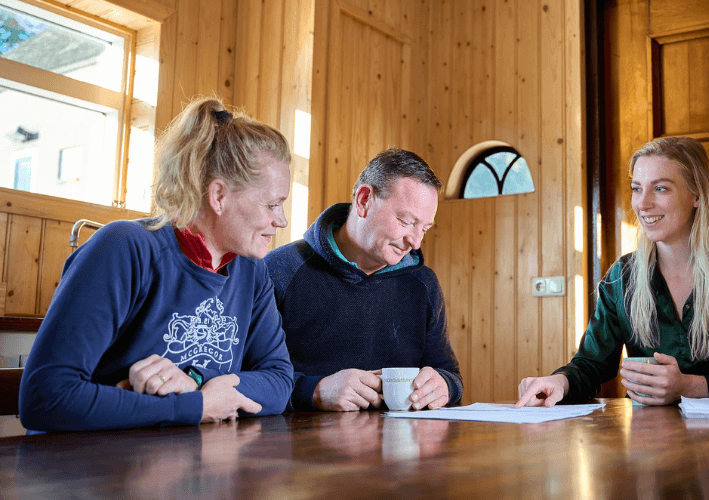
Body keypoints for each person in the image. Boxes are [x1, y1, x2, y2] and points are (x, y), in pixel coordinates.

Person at [19, 97, 294, 431]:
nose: (281, 221)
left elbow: (279, 383)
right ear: (218, 196)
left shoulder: (252, 271)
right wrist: (197, 405)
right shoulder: (124, 247)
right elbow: (46, 397)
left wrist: (195, 382)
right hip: (89, 469)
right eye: (272, 204)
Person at [516, 136, 709, 408]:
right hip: (652, 451)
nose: (642, 204)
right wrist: (559, 382)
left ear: (696, 195)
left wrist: (690, 386)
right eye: (637, 188)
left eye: (661, 188)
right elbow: (592, 364)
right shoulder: (622, 278)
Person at [265, 148, 462, 412]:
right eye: (405, 221)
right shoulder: (280, 270)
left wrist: (444, 386)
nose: (415, 241)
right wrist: (314, 390)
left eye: (424, 228)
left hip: (401, 448)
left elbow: (449, 373)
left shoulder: (423, 283)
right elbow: (248, 376)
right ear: (364, 200)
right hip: (298, 447)